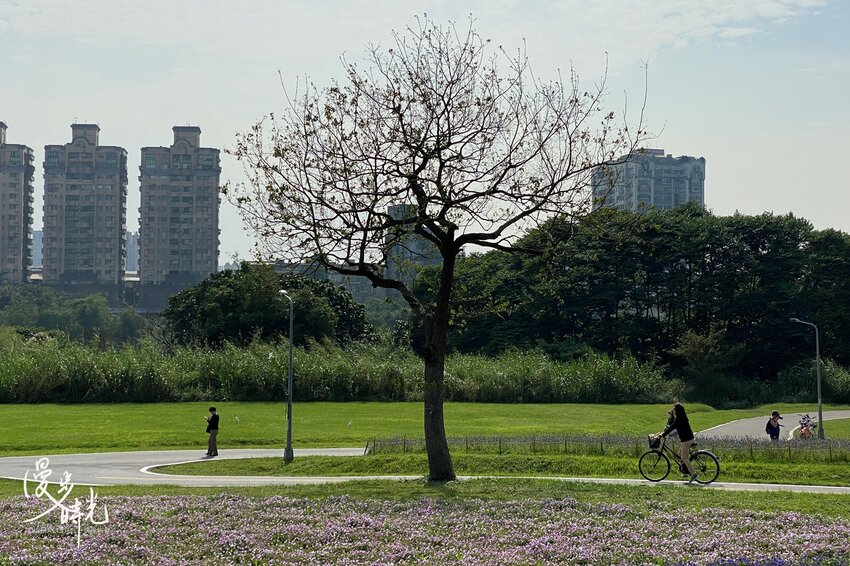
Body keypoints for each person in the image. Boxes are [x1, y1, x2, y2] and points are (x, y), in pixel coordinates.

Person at [661, 403, 697, 483]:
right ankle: (685, 471)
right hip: (687, 439)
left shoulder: (679, 419)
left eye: (674, 409)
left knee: (684, 458)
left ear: (677, 410)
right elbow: (671, 426)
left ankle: (693, 474)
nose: (673, 410)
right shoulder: (682, 418)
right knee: (679, 454)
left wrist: (663, 435)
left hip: (687, 441)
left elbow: (672, 427)